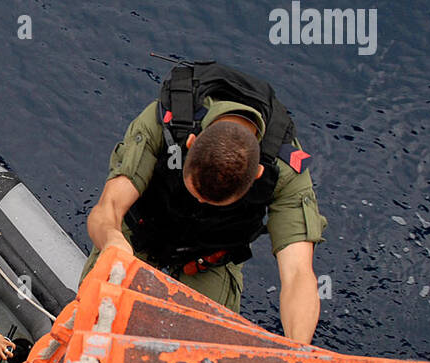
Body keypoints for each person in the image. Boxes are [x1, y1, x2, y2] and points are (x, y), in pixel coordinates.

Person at [83, 60, 326, 343]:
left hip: (209, 257)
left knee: (203, 353)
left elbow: (297, 274)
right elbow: (107, 209)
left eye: (212, 202)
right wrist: (113, 243)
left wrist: (298, 349)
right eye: (194, 191)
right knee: (91, 323)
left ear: (258, 174)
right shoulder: (163, 123)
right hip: (140, 232)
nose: (198, 203)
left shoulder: (285, 173)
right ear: (190, 143)